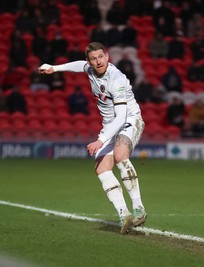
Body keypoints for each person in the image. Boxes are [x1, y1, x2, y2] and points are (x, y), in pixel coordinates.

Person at [39, 42, 147, 235]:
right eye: (93, 58)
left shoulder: (116, 80)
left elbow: (121, 117)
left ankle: (139, 208)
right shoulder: (89, 68)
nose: (98, 62)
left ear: (107, 56)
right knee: (102, 168)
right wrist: (54, 68)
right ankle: (125, 214)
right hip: (109, 125)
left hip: (130, 119)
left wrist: (101, 139)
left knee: (121, 154)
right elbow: (78, 65)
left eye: (100, 57)